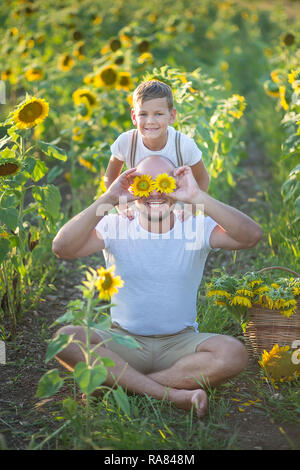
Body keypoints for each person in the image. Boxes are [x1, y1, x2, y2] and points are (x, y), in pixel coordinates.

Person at [52, 155, 262, 418]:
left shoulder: (194, 226)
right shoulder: (116, 225)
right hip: (124, 341)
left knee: (233, 353)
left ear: (176, 186)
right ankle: (173, 395)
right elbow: (62, 248)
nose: (154, 193)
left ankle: (119, 384)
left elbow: (251, 236)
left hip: (180, 344)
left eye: (163, 183)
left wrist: (199, 197)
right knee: (65, 339)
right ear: (131, 187)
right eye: (144, 184)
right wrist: (107, 198)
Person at [104, 79, 210, 219]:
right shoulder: (126, 142)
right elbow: (109, 178)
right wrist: (121, 207)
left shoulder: (183, 145)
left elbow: (202, 179)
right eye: (143, 114)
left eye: (158, 114)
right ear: (134, 117)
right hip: (140, 211)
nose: (150, 121)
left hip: (176, 213)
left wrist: (191, 209)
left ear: (171, 116)